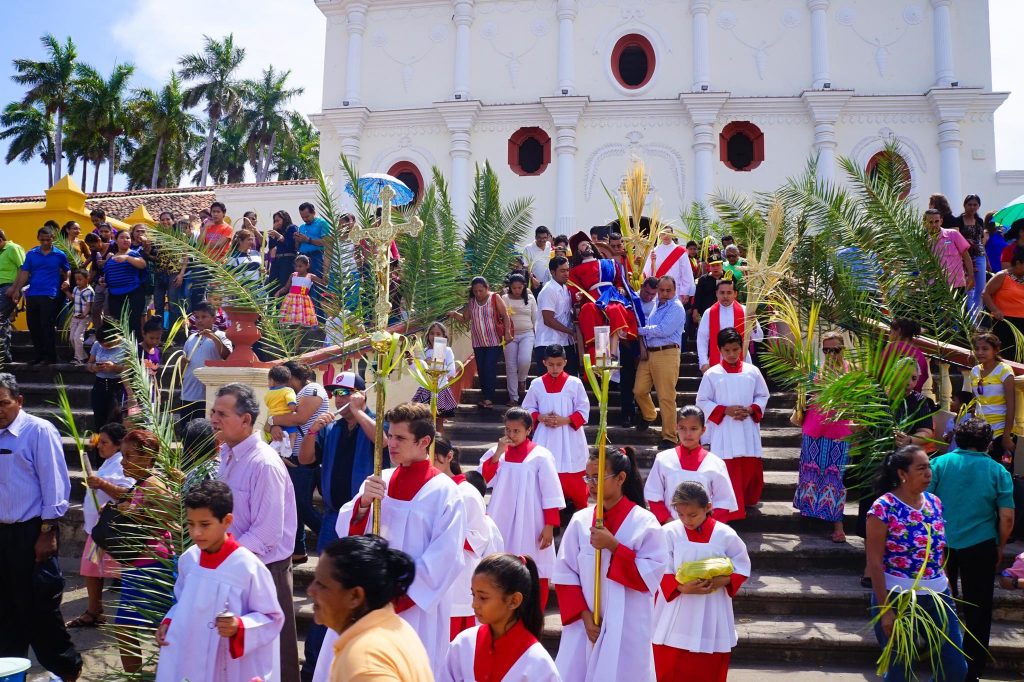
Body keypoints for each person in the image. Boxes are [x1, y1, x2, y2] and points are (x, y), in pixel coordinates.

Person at [333, 401, 467, 677]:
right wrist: (363, 504)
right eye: (390, 435)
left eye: (400, 438)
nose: (390, 444)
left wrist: (397, 597)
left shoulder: (445, 493)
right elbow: (351, 535)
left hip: (414, 605)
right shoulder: (379, 480)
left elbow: (446, 556)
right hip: (371, 599)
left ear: (424, 442)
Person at [211, 383, 300, 682]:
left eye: (222, 413)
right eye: (213, 411)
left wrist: (222, 557)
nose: (214, 418)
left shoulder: (264, 463)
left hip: (266, 571)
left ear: (246, 420)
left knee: (275, 659)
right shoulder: (226, 453)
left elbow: (267, 533)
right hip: (235, 565)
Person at [554, 447, 667, 682]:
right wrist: (584, 615)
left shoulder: (644, 523)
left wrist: (615, 547)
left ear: (621, 478)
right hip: (584, 624)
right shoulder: (580, 521)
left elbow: (651, 577)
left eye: (597, 478)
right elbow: (565, 573)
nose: (591, 484)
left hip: (627, 623)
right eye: (588, 477)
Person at [155, 480, 284, 682]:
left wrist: (239, 626)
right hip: (190, 654)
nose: (196, 533)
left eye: (205, 524)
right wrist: (169, 621)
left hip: (228, 664)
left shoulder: (248, 567)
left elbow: (272, 618)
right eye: (190, 524)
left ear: (227, 520)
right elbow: (182, 602)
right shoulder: (189, 560)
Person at [298, 371, 383, 679]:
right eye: (336, 392)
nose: (339, 397)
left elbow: (383, 442)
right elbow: (306, 459)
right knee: (326, 590)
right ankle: (314, 665)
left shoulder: (374, 420)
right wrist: (311, 432)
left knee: (355, 590)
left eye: (346, 392)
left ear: (361, 394)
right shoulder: (330, 427)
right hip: (334, 518)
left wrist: (359, 412)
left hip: (365, 519)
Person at [865, 446, 967, 682]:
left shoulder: (934, 502)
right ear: (903, 473)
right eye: (921, 468)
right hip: (897, 597)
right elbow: (874, 561)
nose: (928, 473)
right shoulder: (883, 507)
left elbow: (938, 551)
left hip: (938, 596)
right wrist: (885, 610)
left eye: (929, 467)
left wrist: (948, 590)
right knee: (900, 670)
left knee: (955, 669)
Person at [929, 418, 1014, 682]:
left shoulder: (938, 464)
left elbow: (925, 504)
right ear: (989, 444)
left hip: (941, 545)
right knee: (979, 608)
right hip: (980, 545)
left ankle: (942, 663)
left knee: (939, 604)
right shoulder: (997, 470)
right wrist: (1000, 545)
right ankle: (972, 670)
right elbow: (1007, 516)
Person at [652, 481, 751, 682]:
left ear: (708, 507)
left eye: (693, 515)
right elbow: (660, 566)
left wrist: (724, 580)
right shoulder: (669, 532)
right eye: (680, 514)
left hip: (712, 609)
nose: (686, 520)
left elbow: (742, 564)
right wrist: (680, 587)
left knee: (708, 669)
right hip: (677, 607)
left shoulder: (725, 535)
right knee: (669, 666)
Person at [309, 535, 433, 682]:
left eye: (322, 585)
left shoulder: (364, 660)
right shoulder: (396, 627)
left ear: (355, 596)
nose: (310, 590)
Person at [480, 407, 565, 610]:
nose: (511, 435)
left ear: (528, 430)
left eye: (516, 431)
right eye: (508, 430)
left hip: (532, 518)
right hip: (501, 514)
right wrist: (498, 453)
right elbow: (485, 479)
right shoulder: (497, 452)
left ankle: (534, 610)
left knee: (536, 564)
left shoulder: (541, 455)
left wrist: (550, 525)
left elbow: (551, 491)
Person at [111, 429, 174, 673]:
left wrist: (134, 514)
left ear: (148, 457)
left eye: (130, 456)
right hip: (139, 564)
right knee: (129, 627)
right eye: (122, 456)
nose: (123, 462)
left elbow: (171, 520)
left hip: (152, 564)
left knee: (129, 627)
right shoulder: (143, 483)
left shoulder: (154, 485)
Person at [444, 553, 559, 681]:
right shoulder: (463, 644)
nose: (474, 604)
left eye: (483, 597)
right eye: (473, 595)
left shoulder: (538, 663)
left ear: (514, 600)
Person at [696, 327, 771, 519]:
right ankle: (729, 510)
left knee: (748, 467)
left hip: (747, 426)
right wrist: (725, 410)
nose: (731, 354)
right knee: (728, 468)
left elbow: (763, 394)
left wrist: (752, 408)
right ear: (720, 350)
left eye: (735, 350)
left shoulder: (752, 371)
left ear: (742, 349)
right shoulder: (712, 374)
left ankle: (746, 501)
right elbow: (702, 401)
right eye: (727, 350)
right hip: (725, 428)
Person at [66, 423, 132, 629]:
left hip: (114, 530)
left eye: (105, 443)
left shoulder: (123, 463)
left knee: (124, 572)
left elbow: (130, 494)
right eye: (99, 442)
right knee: (91, 569)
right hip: (98, 530)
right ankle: (94, 611)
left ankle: (129, 617)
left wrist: (102, 484)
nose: (100, 446)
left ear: (118, 445)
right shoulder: (108, 463)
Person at [793, 331, 854, 542]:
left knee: (835, 478)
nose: (830, 354)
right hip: (814, 429)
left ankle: (838, 526)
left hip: (840, 432)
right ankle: (810, 513)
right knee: (810, 472)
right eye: (826, 350)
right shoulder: (814, 372)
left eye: (835, 350)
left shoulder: (852, 372)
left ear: (843, 349)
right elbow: (805, 399)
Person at [433, 437, 496, 641]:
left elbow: (480, 536)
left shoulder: (466, 493)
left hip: (457, 578)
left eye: (434, 458)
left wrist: (446, 532)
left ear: (449, 457)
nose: (429, 464)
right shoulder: (431, 490)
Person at [522, 344, 591, 512]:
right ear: (544, 362)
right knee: (545, 472)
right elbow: (527, 408)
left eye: (559, 364)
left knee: (574, 475)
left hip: (569, 435)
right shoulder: (537, 384)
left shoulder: (575, 383)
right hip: (545, 435)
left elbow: (583, 410)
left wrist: (565, 420)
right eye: (551, 364)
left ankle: (580, 512)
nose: (555, 368)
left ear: (565, 362)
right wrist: (539, 417)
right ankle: (549, 513)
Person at [645, 405, 737, 524]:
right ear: (676, 428)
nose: (687, 434)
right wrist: (669, 523)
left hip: (704, 532)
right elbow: (653, 496)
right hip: (669, 529)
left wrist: (706, 527)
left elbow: (723, 502)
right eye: (682, 428)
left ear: (703, 430)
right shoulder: (663, 459)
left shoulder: (716, 463)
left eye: (693, 429)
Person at [634, 276, 686, 449]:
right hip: (650, 354)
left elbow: (664, 330)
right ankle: (649, 415)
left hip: (667, 353)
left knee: (666, 397)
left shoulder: (677, 307)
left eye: (668, 290)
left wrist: (639, 331)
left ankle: (670, 437)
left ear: (674, 290)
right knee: (639, 390)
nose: (664, 294)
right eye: (661, 290)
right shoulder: (658, 304)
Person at [8, 225, 70, 365]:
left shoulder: (60, 254)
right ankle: (39, 355)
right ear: (38, 239)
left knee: (46, 325)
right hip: (33, 293)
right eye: (42, 240)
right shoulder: (31, 254)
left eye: (48, 240)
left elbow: (67, 270)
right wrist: (17, 289)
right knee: (33, 325)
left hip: (50, 293)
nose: (45, 243)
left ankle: (50, 357)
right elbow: (24, 272)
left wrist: (66, 280)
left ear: (52, 239)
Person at [449, 276, 513, 409]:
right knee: (482, 369)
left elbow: (505, 315)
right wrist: (455, 314)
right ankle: (485, 396)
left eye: (481, 290)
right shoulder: (472, 302)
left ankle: (489, 398)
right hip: (478, 342)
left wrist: (507, 332)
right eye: (475, 291)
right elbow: (465, 318)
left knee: (489, 367)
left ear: (487, 288)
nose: (478, 293)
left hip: (494, 341)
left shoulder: (495, 298)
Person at [179, 302, 232, 425]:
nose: (199, 321)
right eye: (197, 317)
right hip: (188, 394)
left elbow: (227, 355)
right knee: (186, 434)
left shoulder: (222, 336)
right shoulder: (191, 339)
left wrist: (213, 337)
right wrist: (181, 363)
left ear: (213, 319)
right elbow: (183, 368)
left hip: (208, 396)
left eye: (204, 317)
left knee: (205, 434)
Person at [697, 276, 763, 373]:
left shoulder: (745, 311)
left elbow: (759, 338)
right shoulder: (709, 313)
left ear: (735, 294)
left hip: (743, 362)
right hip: (717, 363)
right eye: (722, 293)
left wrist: (753, 323)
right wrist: (703, 363)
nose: (725, 296)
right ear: (716, 294)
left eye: (729, 293)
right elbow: (702, 339)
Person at [968, 332, 1016, 464]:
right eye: (977, 348)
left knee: (999, 472)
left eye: (985, 349)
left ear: (995, 350)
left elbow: (1011, 405)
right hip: (981, 431)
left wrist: (1006, 436)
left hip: (1000, 430)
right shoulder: (974, 371)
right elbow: (975, 402)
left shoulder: (1004, 370)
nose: (980, 352)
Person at [534, 256, 578, 375]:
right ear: (553, 272)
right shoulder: (549, 290)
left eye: (567, 270)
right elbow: (548, 320)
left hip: (565, 342)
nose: (566, 273)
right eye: (562, 271)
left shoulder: (565, 288)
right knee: (548, 385)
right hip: (548, 343)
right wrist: (571, 331)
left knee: (569, 379)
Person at [410, 321, 458, 429]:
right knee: (423, 422)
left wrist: (434, 364)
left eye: (438, 334)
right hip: (425, 389)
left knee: (438, 423)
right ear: (428, 335)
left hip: (440, 389)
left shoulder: (447, 351)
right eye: (432, 333)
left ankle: (440, 445)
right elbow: (419, 371)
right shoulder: (425, 351)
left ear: (443, 336)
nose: (434, 336)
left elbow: (452, 372)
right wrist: (411, 362)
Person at [983, 246, 1024, 362]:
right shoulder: (1002, 276)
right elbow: (985, 294)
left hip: (1022, 322)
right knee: (1007, 352)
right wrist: (995, 310)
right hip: (1004, 321)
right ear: (1018, 263)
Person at [104, 229, 148, 336]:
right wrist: (103, 280)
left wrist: (127, 258)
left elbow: (142, 264)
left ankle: (135, 350)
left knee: (133, 324)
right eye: (122, 237)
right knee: (118, 325)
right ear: (115, 240)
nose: (125, 240)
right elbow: (107, 274)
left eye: (128, 238)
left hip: (133, 294)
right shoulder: (111, 257)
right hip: (114, 295)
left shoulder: (133, 253)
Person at [503, 273, 538, 404]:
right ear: (510, 287)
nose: (517, 290)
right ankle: (513, 397)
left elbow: (536, 318)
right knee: (511, 366)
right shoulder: (505, 298)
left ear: (524, 286)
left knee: (524, 360)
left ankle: (522, 379)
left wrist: (537, 334)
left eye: (519, 287)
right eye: (514, 288)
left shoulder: (530, 298)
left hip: (527, 334)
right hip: (510, 335)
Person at [643, 226, 696, 305]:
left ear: (672, 235)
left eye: (668, 233)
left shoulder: (680, 251)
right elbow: (647, 274)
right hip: (658, 292)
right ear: (660, 235)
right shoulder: (654, 251)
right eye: (663, 233)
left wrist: (685, 292)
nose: (666, 236)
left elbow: (686, 273)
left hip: (675, 291)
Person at [88, 324, 127, 430]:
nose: (104, 346)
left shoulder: (126, 345)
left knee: (115, 422)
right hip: (99, 385)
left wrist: (114, 367)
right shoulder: (97, 345)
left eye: (107, 343)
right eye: (102, 344)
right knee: (99, 420)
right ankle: (100, 444)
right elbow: (89, 364)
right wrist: (94, 367)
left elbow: (130, 368)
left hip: (117, 386)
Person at [925, 207, 974, 293]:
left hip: (956, 283)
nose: (933, 225)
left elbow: (966, 257)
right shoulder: (922, 240)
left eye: (936, 221)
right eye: (930, 222)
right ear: (925, 223)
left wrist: (971, 276)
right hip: (934, 285)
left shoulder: (953, 234)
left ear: (941, 221)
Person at [955, 194, 986, 313]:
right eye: (970, 204)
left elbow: (981, 240)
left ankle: (978, 315)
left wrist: (986, 260)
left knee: (981, 287)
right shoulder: (958, 220)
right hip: (964, 257)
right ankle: (970, 316)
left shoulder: (979, 220)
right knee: (968, 286)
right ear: (965, 205)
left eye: (975, 205)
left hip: (980, 255)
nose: (972, 207)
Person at [276, 254, 324, 329]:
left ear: (307, 266)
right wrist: (278, 292)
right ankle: (294, 339)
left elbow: (323, 283)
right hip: (291, 301)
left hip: (303, 302)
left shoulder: (310, 276)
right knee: (292, 322)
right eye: (296, 266)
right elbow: (286, 287)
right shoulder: (293, 275)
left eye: (300, 266)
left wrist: (326, 274)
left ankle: (299, 339)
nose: (297, 268)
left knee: (301, 323)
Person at [882, 318, 930, 392]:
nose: (888, 334)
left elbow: (880, 371)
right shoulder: (920, 354)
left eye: (890, 331)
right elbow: (924, 377)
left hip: (894, 396)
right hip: (914, 399)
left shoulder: (893, 347)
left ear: (898, 331)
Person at [0, 230, 26, 362]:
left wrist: (15, 288)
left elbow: (24, 269)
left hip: (8, 288)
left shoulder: (13, 248)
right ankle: (5, 355)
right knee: (2, 321)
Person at [265, 365, 299, 457]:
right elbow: (291, 403)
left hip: (274, 421)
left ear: (272, 381)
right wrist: (294, 408)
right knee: (292, 435)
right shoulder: (288, 390)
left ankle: (277, 451)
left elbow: (268, 403)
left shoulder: (268, 393)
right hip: (286, 417)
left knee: (278, 438)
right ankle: (288, 452)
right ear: (288, 380)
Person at [268, 209, 300, 292]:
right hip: (277, 260)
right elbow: (271, 246)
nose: (276, 223)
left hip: (288, 260)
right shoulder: (277, 231)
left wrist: (278, 236)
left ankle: (283, 304)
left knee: (284, 284)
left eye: (278, 220)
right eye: (275, 221)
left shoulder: (292, 228)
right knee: (272, 285)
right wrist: (273, 236)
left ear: (285, 219)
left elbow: (290, 245)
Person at [67, 268, 94, 365]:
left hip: (84, 318)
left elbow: (89, 305)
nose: (78, 282)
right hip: (75, 316)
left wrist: (84, 314)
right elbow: (73, 299)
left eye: (80, 279)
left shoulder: (89, 291)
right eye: (76, 280)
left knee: (78, 337)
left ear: (87, 279)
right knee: (71, 338)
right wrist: (66, 291)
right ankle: (82, 356)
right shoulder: (75, 289)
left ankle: (79, 359)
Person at [296, 201, 331, 277]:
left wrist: (308, 240)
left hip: (316, 256)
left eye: (307, 216)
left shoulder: (322, 223)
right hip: (302, 257)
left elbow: (326, 242)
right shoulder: (301, 227)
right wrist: (297, 239)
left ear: (313, 213)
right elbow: (297, 248)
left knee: (316, 281)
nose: (305, 219)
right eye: (302, 217)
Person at [523, 225, 553, 297]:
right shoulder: (528, 248)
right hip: (535, 284)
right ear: (535, 237)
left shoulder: (549, 245)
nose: (542, 240)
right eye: (539, 238)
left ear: (548, 237)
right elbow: (525, 267)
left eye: (544, 238)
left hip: (549, 283)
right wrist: (532, 279)